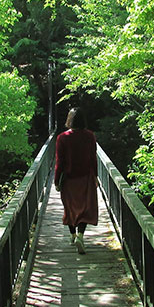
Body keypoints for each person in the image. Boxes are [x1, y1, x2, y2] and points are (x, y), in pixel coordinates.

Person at [54, 107, 98, 253]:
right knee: (85, 208)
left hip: (68, 179)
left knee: (70, 208)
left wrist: (56, 180)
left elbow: (59, 162)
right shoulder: (90, 136)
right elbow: (93, 158)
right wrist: (96, 177)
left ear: (69, 119)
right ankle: (80, 235)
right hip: (85, 178)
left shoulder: (62, 138)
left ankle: (72, 235)